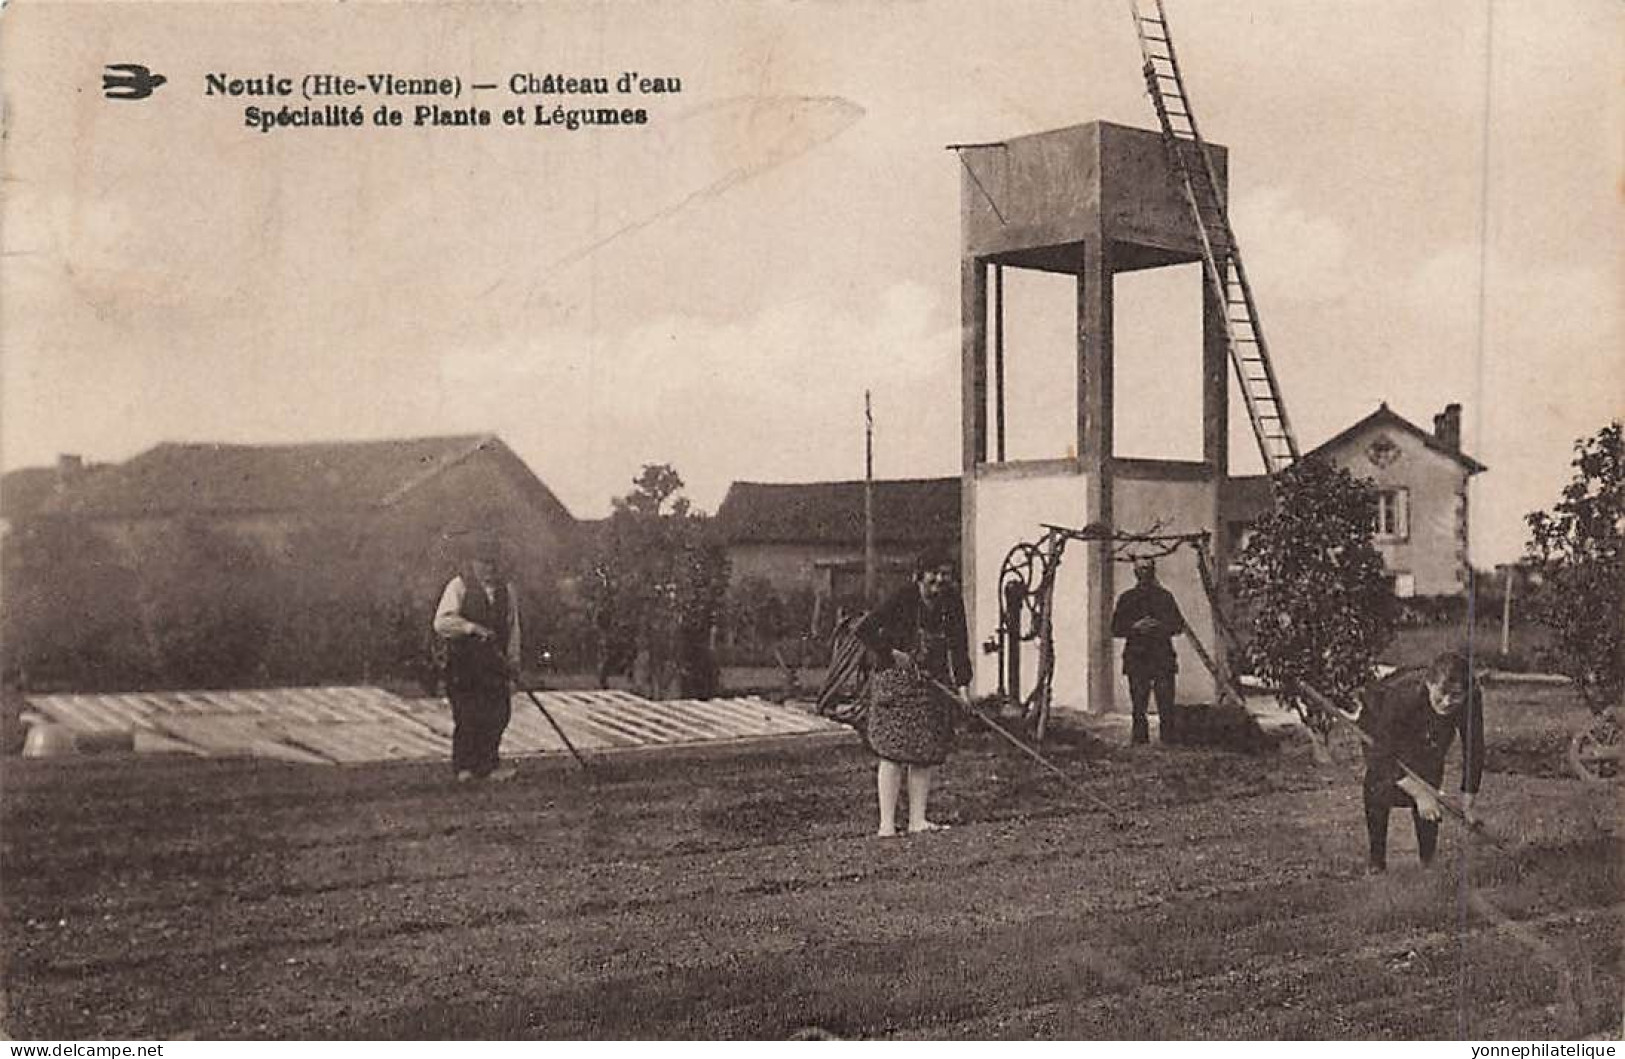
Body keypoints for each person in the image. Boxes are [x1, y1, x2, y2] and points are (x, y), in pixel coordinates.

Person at [853, 549, 971, 837]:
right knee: (892, 752)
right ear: (919, 575)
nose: (939, 579)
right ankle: (887, 825)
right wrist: (891, 652)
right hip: (894, 681)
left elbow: (959, 647)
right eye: (933, 572)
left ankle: (918, 820)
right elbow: (864, 629)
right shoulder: (903, 597)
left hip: (931, 684)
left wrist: (964, 690)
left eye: (945, 573)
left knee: (924, 751)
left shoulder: (952, 602)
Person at [1358, 649, 1485, 873]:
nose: (1447, 702)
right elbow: (1381, 754)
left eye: (1456, 696)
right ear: (1429, 684)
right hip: (1380, 722)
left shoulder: (1471, 698)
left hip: (1429, 732)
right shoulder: (1402, 695)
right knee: (1379, 786)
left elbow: (1474, 747)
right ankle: (1376, 861)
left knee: (1430, 779)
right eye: (1442, 693)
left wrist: (1468, 803)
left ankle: (1428, 861)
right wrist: (1418, 793)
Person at [433, 533, 523, 783]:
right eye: (483, 563)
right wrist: (471, 628)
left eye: (493, 563)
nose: (489, 568)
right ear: (473, 563)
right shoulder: (459, 586)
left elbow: (513, 628)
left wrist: (514, 661)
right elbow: (441, 623)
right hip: (464, 665)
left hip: (495, 666)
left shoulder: (507, 590)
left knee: (498, 715)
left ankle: (488, 766)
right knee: (468, 715)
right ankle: (465, 768)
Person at [1110, 558, 1187, 745]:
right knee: (1138, 702)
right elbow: (1116, 629)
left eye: (1148, 568)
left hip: (1161, 655)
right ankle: (1139, 739)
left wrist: (1159, 626)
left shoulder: (1165, 597)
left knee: (1166, 701)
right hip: (1137, 656)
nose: (1145, 573)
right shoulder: (1126, 598)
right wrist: (1135, 627)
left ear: (1153, 571)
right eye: (1141, 569)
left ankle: (1168, 739)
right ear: (1135, 572)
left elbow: (1178, 625)